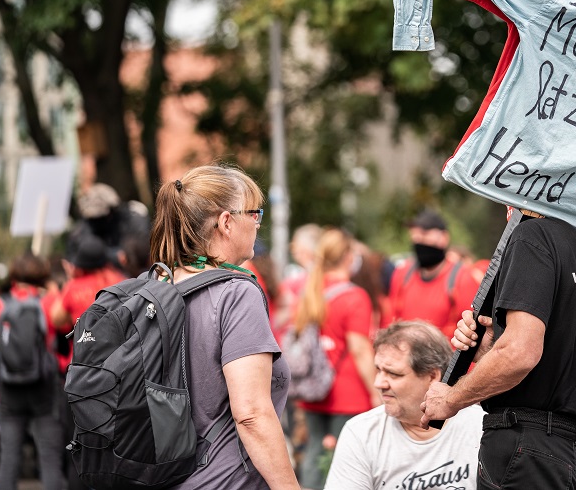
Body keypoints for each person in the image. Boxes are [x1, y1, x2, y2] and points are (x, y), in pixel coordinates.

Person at [421, 210, 576, 489]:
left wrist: (450, 399)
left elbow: (519, 354)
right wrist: (492, 349)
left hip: (530, 448)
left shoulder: (534, 236)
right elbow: (570, 359)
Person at [152, 164, 299, 489]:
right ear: (226, 222)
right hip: (225, 479)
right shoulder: (235, 293)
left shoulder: (157, 284)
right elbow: (251, 414)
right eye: (254, 213)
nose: (257, 224)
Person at [324, 320, 484, 490]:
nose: (378, 383)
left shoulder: (479, 426)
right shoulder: (361, 433)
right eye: (378, 370)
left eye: (393, 374)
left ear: (432, 376)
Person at [293, 228, 380, 490]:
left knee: (315, 453)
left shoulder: (311, 291)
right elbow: (360, 349)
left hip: (315, 388)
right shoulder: (354, 296)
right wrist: (375, 391)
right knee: (345, 460)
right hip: (349, 393)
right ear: (347, 257)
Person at [0, 252, 66, 490]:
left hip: (8, 387)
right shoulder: (50, 302)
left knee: (9, 457)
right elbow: (65, 330)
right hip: (45, 386)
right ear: (42, 274)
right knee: (50, 458)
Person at [389, 210, 481, 338]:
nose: (417, 239)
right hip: (406, 348)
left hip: (444, 350)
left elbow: (472, 329)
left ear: (444, 237)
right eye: (414, 235)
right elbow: (391, 318)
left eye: (424, 233)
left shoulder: (463, 278)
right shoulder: (402, 274)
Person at [69, 182, 151, 275]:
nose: (97, 222)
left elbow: (140, 252)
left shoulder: (133, 219)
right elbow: (76, 256)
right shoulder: (85, 227)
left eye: (101, 217)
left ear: (112, 211)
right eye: (93, 219)